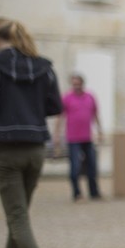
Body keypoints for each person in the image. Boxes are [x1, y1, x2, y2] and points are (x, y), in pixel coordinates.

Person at [0, 17, 62, 248]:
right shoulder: (44, 67)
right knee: (19, 216)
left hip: (4, 148)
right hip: (36, 147)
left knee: (17, 217)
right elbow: (54, 106)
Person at [55, 72, 103, 201]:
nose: (76, 86)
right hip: (73, 138)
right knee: (75, 167)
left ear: (82, 84)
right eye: (74, 84)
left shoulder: (90, 97)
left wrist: (100, 131)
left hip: (87, 137)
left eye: (78, 84)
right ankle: (77, 193)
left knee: (92, 166)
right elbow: (60, 117)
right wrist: (57, 135)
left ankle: (94, 192)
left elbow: (95, 115)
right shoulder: (67, 98)